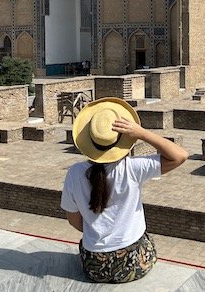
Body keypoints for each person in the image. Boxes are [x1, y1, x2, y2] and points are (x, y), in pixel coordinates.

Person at [61, 98, 187, 283]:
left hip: (94, 265)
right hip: (134, 263)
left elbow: (73, 221)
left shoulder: (74, 174)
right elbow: (180, 156)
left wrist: (97, 232)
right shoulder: (133, 169)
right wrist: (142, 133)